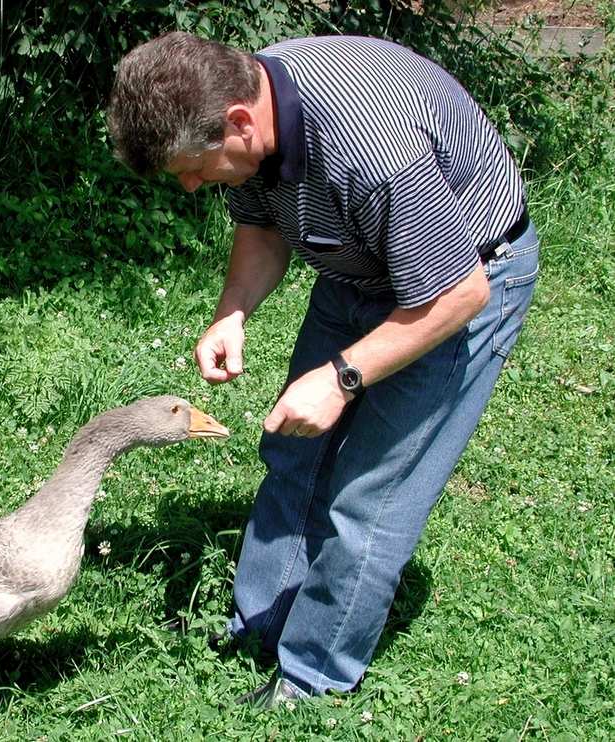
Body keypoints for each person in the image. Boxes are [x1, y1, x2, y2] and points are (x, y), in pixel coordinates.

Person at [106, 32, 539, 707]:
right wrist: (232, 311)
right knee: (293, 452)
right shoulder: (249, 105)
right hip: (355, 268)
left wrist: (341, 376)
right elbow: (261, 228)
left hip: (465, 280)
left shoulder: (374, 150)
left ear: (239, 122)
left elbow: (457, 293)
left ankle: (309, 679)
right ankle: (261, 626)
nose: (191, 184)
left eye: (194, 166)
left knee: (370, 494)